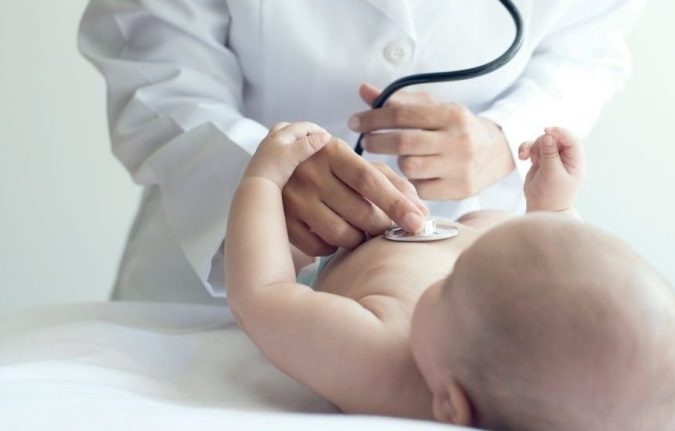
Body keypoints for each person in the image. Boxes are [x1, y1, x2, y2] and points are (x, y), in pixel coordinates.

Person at [78, 0, 645, 302]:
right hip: (210, 269)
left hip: (480, 281)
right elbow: (155, 71)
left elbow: (590, 52)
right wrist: (263, 181)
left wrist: (506, 138)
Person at [225, 122, 675, 430]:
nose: (447, 267)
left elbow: (264, 294)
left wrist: (263, 181)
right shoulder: (489, 333)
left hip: (327, 242)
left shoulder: (383, 362)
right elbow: (563, 292)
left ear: (452, 407)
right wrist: (553, 209)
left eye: (448, 285)